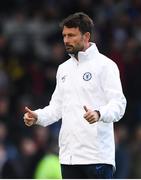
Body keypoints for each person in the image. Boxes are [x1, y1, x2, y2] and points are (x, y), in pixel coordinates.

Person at [23, 12, 127, 179]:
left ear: (86, 36)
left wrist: (99, 113)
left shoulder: (106, 66)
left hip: (97, 157)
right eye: (64, 35)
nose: (66, 40)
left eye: (71, 35)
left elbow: (119, 104)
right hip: (69, 158)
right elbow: (56, 109)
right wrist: (38, 116)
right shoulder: (63, 69)